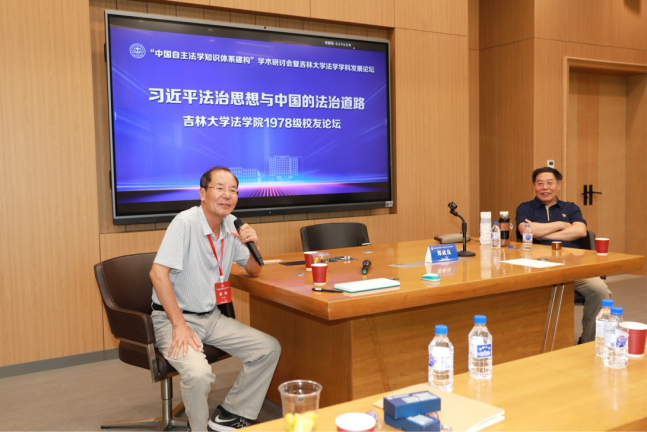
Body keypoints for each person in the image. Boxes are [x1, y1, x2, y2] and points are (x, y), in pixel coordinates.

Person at [149, 166, 281, 432]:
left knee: (268, 348)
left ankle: (233, 413)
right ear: (202, 193)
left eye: (233, 190)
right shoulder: (185, 223)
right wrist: (178, 324)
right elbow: (157, 274)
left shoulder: (231, 225)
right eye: (219, 188)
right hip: (175, 319)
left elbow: (254, 270)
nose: (227, 195)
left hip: (212, 316)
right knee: (199, 374)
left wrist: (251, 244)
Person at [515, 167, 610, 344]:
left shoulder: (570, 207)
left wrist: (541, 235)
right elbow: (526, 230)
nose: (545, 187)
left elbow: (580, 231)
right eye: (540, 183)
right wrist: (561, 224)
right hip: (537, 267)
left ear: (558, 184)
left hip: (573, 266)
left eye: (550, 183)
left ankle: (588, 343)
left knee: (600, 291)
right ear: (534, 186)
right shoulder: (525, 208)